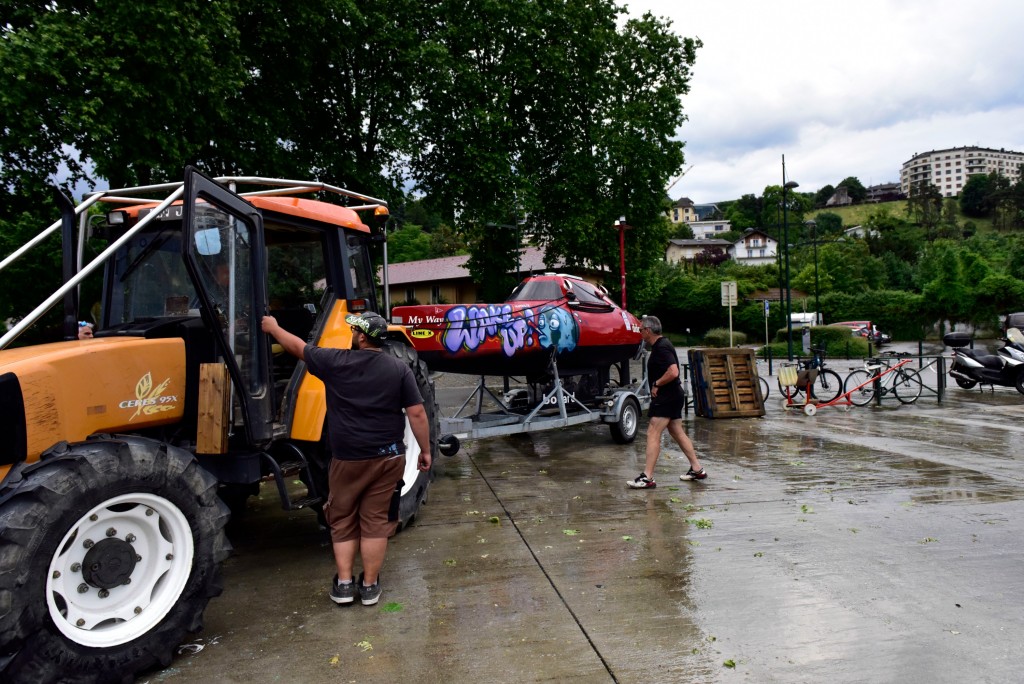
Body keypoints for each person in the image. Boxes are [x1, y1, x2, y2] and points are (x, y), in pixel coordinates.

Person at [261, 310, 431, 606]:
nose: (351, 333)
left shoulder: (336, 362)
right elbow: (416, 413)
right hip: (388, 457)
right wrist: (426, 450)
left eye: (354, 330)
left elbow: (296, 347)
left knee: (342, 520)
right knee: (376, 521)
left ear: (362, 336)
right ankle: (369, 586)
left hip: (348, 460)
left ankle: (343, 584)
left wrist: (273, 327)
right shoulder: (398, 369)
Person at [627, 315, 707, 489]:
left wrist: (657, 384)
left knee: (652, 433)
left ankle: (647, 477)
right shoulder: (663, 345)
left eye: (641, 330)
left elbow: (673, 371)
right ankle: (697, 469)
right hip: (673, 395)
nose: (640, 332)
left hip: (667, 396)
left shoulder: (662, 347)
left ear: (648, 330)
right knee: (677, 431)